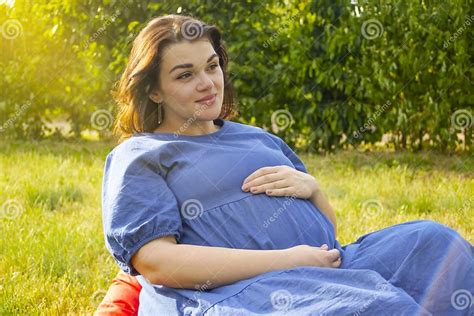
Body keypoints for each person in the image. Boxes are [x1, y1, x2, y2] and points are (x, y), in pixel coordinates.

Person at [97, 14, 473, 315]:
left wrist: (314, 188)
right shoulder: (142, 155)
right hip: (237, 292)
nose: (208, 83)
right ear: (153, 89)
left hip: (329, 263)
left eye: (212, 67)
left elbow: (326, 228)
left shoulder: (256, 138)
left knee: (436, 243)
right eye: (185, 75)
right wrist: (286, 260)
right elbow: (157, 261)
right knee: (370, 306)